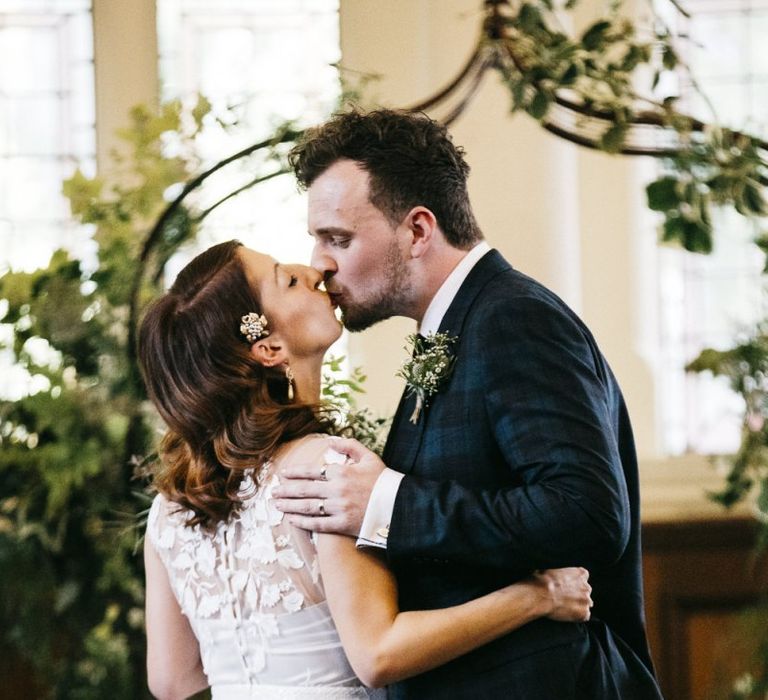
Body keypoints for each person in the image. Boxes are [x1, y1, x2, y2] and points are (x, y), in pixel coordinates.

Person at [272, 109, 665, 699]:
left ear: (418, 231)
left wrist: (389, 503)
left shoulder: (513, 316)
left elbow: (587, 513)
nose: (320, 261)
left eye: (339, 238)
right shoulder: (455, 326)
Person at [138, 240, 593, 700]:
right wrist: (539, 595)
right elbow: (378, 654)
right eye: (288, 279)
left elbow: (172, 681)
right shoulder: (325, 471)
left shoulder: (169, 510)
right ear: (270, 347)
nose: (313, 270)